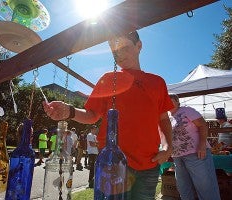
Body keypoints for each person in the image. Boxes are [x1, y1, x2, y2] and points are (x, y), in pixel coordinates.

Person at [43, 31, 173, 199]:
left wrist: (168, 147)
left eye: (124, 47)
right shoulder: (108, 79)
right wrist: (69, 111)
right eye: (114, 51)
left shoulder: (157, 82)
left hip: (149, 164)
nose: (118, 54)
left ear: (139, 46)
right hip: (112, 163)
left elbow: (164, 119)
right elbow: (92, 115)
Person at [169, 93, 221, 200]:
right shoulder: (168, 117)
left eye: (171, 100)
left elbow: (202, 125)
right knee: (184, 188)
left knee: (205, 187)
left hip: (196, 153)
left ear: (178, 102)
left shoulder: (187, 110)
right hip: (177, 157)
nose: (168, 102)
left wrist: (202, 145)